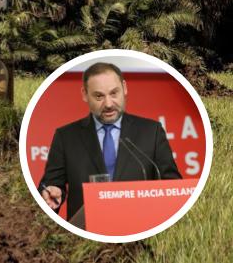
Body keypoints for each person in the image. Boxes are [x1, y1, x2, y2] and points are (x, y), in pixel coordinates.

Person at [38, 62, 181, 221]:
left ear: (125, 88)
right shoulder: (66, 136)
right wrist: (50, 194)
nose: (108, 104)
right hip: (86, 230)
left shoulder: (151, 131)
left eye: (114, 93)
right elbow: (51, 186)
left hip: (141, 227)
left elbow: (172, 188)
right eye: (99, 96)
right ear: (85, 94)